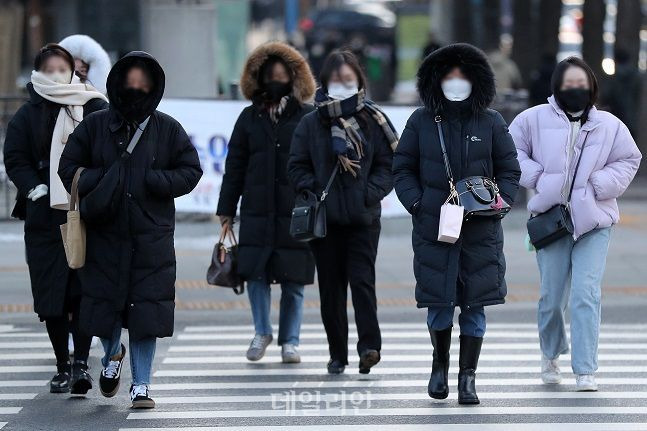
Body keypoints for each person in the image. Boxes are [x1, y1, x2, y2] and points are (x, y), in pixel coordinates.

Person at [58, 51, 202, 408]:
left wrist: (155, 181)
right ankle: (111, 357)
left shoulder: (167, 127)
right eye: (130, 79)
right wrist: (103, 180)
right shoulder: (94, 125)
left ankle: (141, 385)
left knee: (145, 313)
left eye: (143, 81)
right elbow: (68, 168)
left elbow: (191, 170)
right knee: (104, 306)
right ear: (118, 81)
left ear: (153, 86)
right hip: (103, 232)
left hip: (150, 236)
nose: (136, 86)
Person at [393, 43, 521, 404]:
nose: (455, 82)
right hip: (435, 227)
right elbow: (402, 166)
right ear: (436, 80)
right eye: (448, 75)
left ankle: (468, 378)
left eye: (462, 75)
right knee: (439, 302)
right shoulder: (421, 121)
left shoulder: (492, 122)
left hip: (481, 229)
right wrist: (417, 203)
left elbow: (510, 169)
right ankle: (439, 365)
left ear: (475, 80)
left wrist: (503, 201)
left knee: (475, 303)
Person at [510, 57, 642, 391]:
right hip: (551, 221)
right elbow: (510, 151)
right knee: (552, 297)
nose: (575, 89)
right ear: (557, 86)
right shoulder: (532, 119)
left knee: (586, 293)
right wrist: (539, 178)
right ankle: (550, 353)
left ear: (591, 87)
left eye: (580, 84)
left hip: (594, 222)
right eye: (568, 84)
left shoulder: (609, 125)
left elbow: (629, 158)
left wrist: (600, 184)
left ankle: (586, 369)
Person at [3, 43, 107, 395]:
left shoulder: (93, 103)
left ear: (73, 69)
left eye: (61, 66)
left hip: (85, 211)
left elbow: (107, 152)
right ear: (38, 72)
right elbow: (15, 157)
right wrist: (37, 188)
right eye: (48, 67)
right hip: (44, 216)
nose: (55, 73)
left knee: (83, 290)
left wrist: (89, 187)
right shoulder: (28, 112)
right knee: (52, 297)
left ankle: (81, 364)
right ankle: (62, 365)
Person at [288, 50, 398, 375]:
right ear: (325, 81)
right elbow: (296, 166)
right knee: (331, 290)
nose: (343, 84)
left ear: (359, 80)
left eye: (349, 78)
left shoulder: (373, 119)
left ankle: (369, 347)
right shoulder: (311, 122)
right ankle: (337, 353)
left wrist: (369, 193)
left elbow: (389, 164)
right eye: (337, 79)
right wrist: (316, 187)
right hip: (325, 221)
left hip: (363, 219)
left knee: (363, 284)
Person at [217, 42, 317, 363]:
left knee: (294, 278)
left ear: (294, 77)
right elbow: (234, 167)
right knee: (254, 273)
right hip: (257, 209)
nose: (276, 80)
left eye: (282, 74)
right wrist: (226, 210)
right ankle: (262, 331)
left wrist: (314, 198)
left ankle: (291, 341)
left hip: (295, 210)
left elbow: (318, 163)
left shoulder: (307, 116)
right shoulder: (248, 118)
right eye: (269, 74)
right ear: (258, 78)